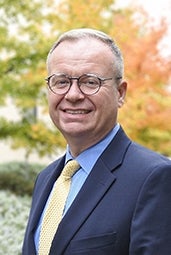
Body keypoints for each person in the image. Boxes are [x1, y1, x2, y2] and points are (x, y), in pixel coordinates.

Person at [22, 28, 171, 255]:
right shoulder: (46, 179)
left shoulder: (154, 178)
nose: (72, 95)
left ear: (120, 93)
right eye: (61, 81)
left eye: (90, 82)